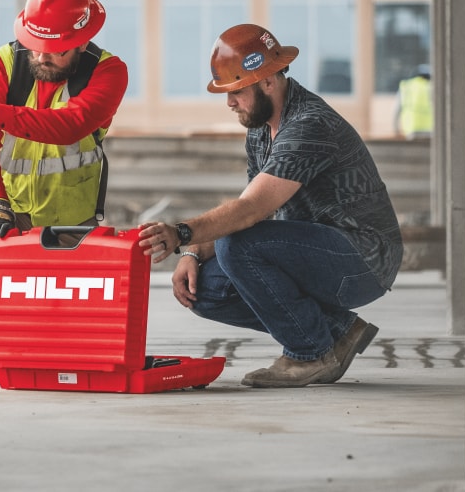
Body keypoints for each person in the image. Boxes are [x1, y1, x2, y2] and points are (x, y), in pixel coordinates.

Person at [136, 24, 402, 388]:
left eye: (236, 91)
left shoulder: (309, 125)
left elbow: (252, 209)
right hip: (317, 251)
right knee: (205, 290)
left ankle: (310, 354)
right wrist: (193, 253)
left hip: (363, 260)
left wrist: (182, 233)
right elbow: (247, 209)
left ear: (267, 82)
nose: (229, 103)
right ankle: (339, 331)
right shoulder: (261, 129)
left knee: (238, 246)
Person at [0, 0, 128, 384]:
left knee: (65, 303)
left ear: (81, 42)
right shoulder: (0, 63)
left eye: (54, 50)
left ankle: (51, 349)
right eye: (34, 44)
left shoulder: (109, 72)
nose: (40, 56)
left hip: (68, 209)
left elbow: (70, 125)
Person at [395, 64, 433, 139]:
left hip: (411, 130)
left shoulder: (406, 87)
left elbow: (397, 111)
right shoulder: (432, 87)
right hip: (431, 130)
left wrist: (396, 131)